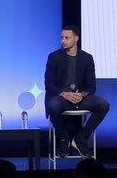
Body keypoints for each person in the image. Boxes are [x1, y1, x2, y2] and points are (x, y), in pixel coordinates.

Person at [44, 25, 110, 158]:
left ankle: (81, 138)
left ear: (76, 38)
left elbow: (91, 87)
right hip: (61, 97)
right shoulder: (53, 57)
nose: (63, 41)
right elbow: (49, 84)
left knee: (103, 105)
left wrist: (81, 95)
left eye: (66, 38)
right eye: (62, 38)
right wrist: (65, 94)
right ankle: (64, 139)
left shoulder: (87, 58)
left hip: (80, 98)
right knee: (53, 104)